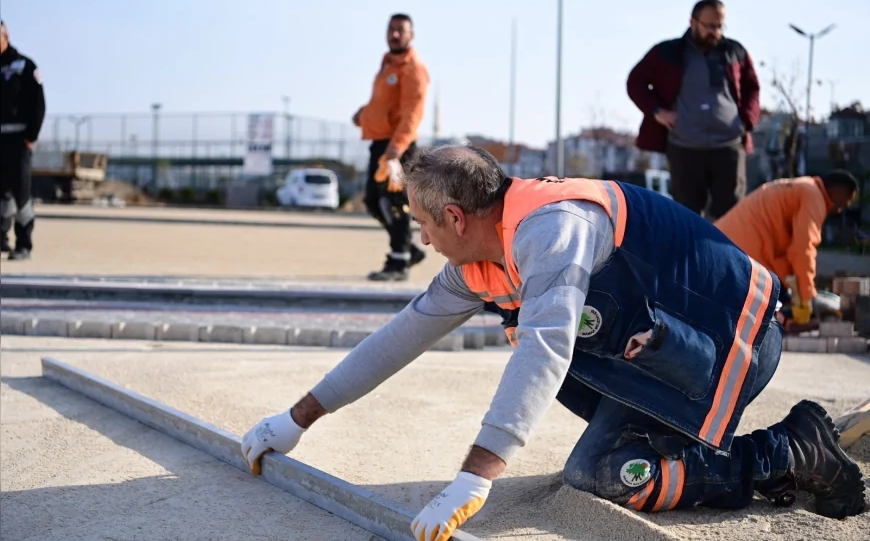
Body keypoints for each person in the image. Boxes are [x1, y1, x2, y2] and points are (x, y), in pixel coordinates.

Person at [242, 146, 865, 540]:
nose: (424, 238)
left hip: (733, 338)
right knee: (578, 394)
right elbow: (399, 337)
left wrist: (475, 477)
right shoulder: (478, 261)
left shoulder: (552, 230)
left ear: (456, 217)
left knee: (602, 472)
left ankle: (785, 452)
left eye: (424, 222)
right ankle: (702, 438)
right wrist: (297, 419)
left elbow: (546, 344)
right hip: (661, 347)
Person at [627, 0, 760, 220]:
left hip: (728, 146)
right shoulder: (667, 52)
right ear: (693, 22)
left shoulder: (735, 52)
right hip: (685, 147)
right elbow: (635, 82)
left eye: (719, 26)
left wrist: (745, 121)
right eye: (709, 26)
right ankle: (690, 256)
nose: (715, 32)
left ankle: (727, 256)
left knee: (733, 217)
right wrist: (657, 111)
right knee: (686, 218)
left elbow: (752, 87)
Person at [715, 171, 860, 325]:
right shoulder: (814, 196)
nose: (842, 208)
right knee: (766, 317)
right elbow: (803, 249)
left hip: (728, 244)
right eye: (847, 200)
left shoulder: (802, 187)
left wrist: (796, 293)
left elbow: (787, 253)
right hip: (742, 253)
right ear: (838, 190)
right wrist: (808, 298)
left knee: (778, 299)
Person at [352, 13, 430, 281]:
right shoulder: (389, 65)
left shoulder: (412, 69)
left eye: (401, 30)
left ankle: (399, 262)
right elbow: (386, 105)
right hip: (380, 144)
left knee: (394, 201)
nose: (395, 34)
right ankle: (408, 249)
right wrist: (363, 115)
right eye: (391, 29)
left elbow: (411, 114)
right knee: (373, 201)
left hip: (398, 148)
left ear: (411, 35)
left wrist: (396, 150)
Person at [0, 20, 45, 260]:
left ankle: (23, 244)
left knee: (20, 194)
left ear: (5, 34)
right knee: (1, 195)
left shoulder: (24, 66)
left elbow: (38, 103)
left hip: (18, 141)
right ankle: (1, 239)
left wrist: (32, 136)